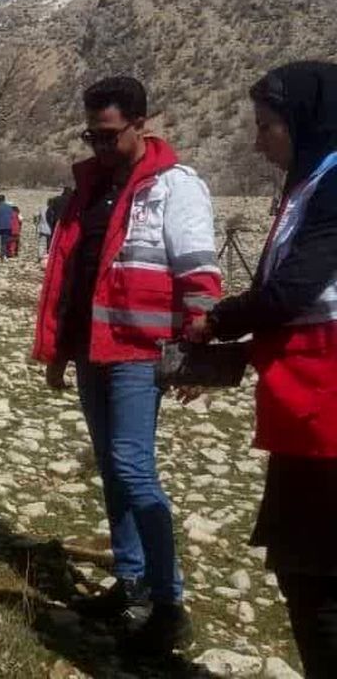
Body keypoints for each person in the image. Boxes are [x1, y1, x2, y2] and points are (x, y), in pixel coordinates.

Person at [33, 76, 220, 655]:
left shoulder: (175, 187)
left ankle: (168, 603)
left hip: (140, 350)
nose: (99, 146)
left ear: (141, 123)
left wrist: (199, 356)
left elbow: (197, 269)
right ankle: (131, 579)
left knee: (133, 467)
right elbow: (72, 273)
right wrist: (59, 351)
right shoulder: (89, 187)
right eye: (91, 135)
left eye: (109, 135)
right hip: (93, 347)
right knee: (113, 470)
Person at [186, 62, 337, 676]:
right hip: (303, 405)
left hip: (324, 417)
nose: (257, 141)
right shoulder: (308, 186)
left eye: (267, 126)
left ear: (303, 122)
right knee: (306, 573)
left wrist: (216, 322)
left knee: (317, 579)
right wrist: (232, 358)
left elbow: (295, 290)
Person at [0, 194, 14, 258]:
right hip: (7, 225)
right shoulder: (9, 207)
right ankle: (3, 253)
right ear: (4, 199)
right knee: (4, 241)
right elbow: (11, 216)